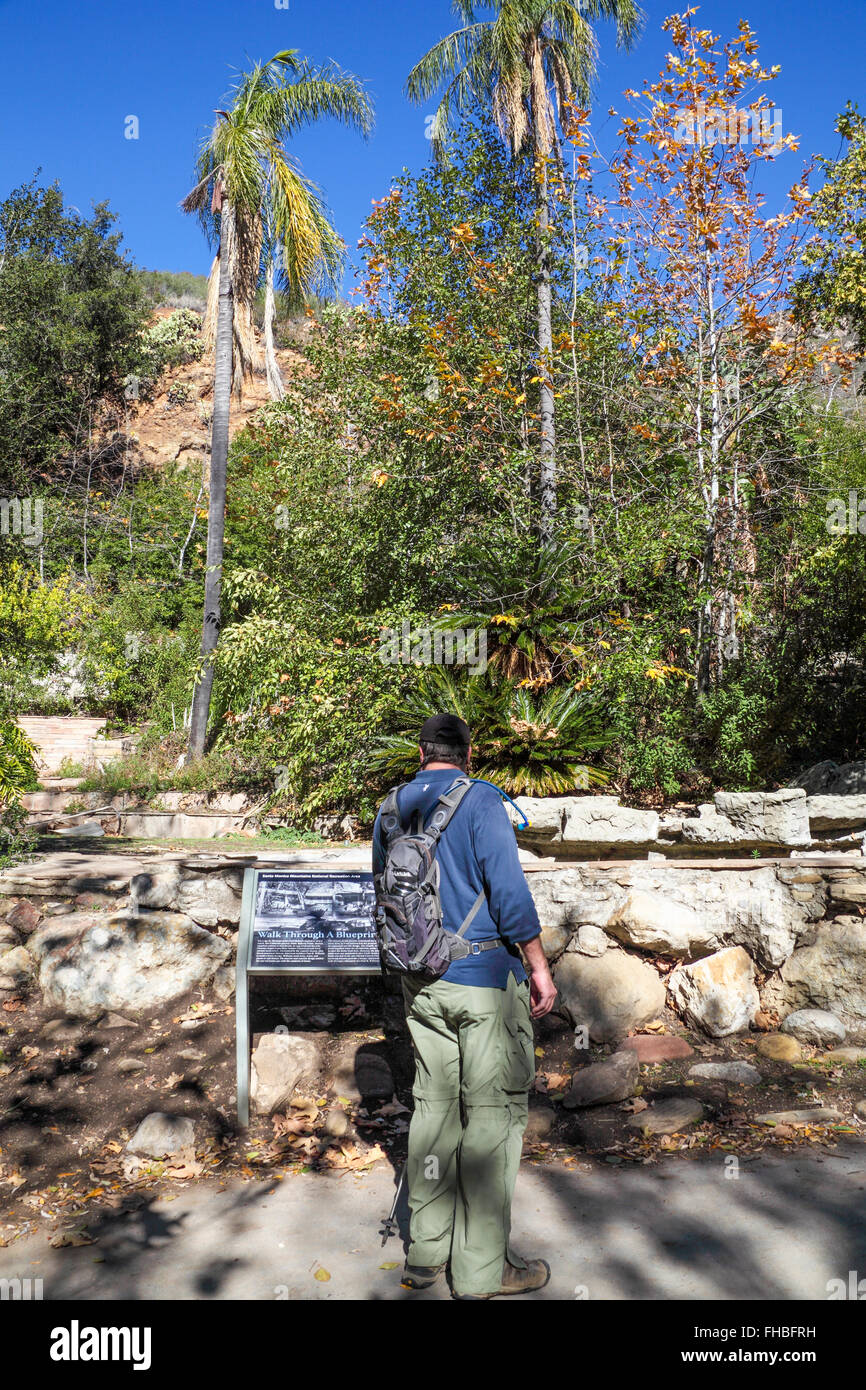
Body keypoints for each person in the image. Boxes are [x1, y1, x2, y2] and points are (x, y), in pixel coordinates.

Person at [372, 712, 558, 1300]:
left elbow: (382, 891)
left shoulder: (390, 807)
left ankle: (426, 1252)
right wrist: (538, 964)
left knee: (432, 1107)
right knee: (493, 1119)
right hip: (482, 982)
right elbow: (508, 893)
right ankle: (481, 1271)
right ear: (467, 755)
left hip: (419, 981)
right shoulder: (482, 803)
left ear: (421, 752)